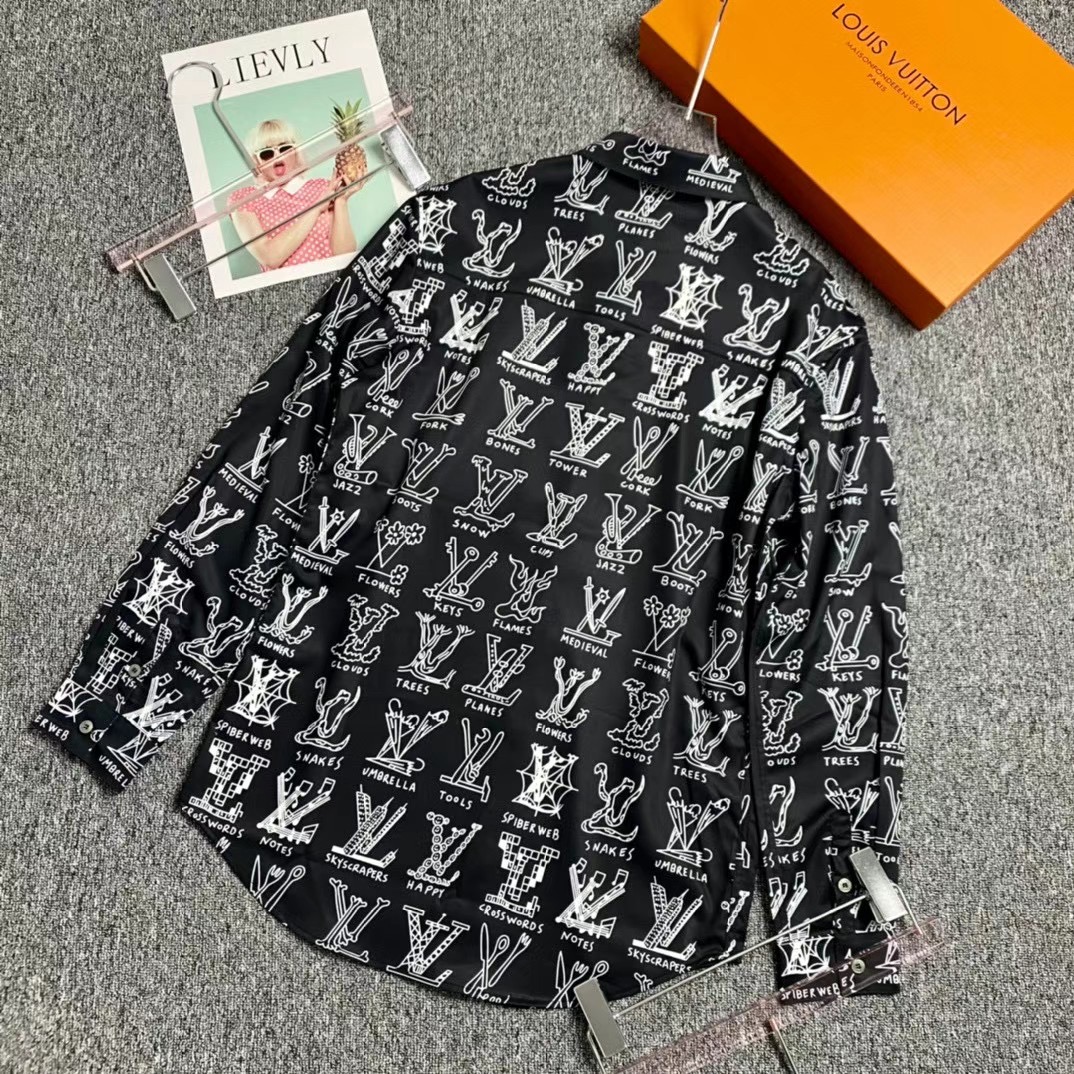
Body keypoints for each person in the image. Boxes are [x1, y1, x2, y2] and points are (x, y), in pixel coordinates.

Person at [226, 118, 357, 271]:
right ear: (257, 161)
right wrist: (316, 208)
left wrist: (341, 201)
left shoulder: (324, 187)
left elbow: (345, 255)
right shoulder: (243, 199)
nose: (277, 157)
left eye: (284, 149)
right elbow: (270, 258)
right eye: (267, 153)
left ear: (295, 152)